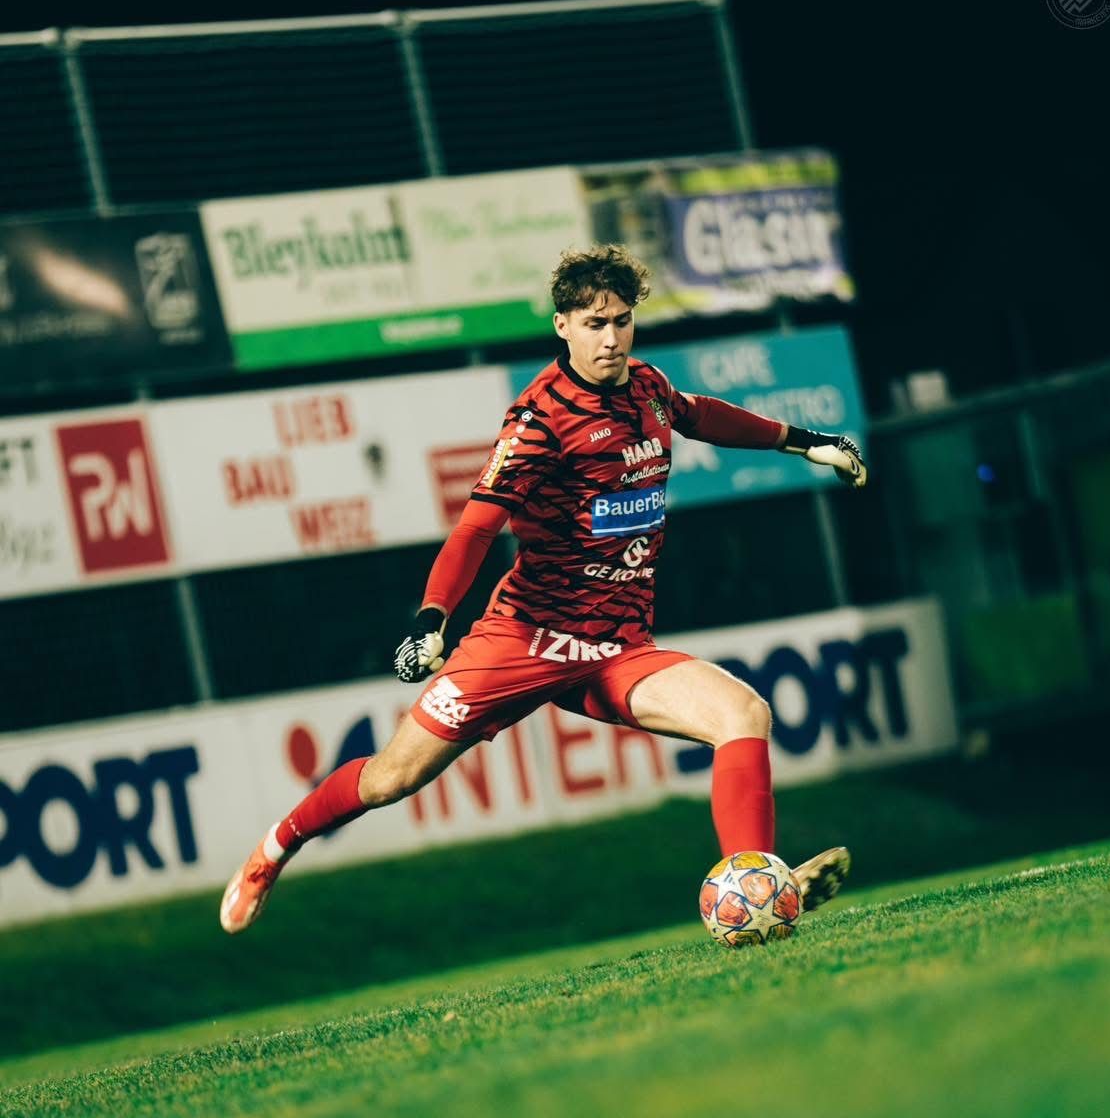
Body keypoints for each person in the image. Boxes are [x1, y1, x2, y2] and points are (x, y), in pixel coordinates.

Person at [220, 244, 867, 935]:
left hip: (616, 645)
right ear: (562, 325)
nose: (611, 337)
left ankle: (754, 888)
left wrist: (802, 441)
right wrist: (431, 620)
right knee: (390, 780)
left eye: (621, 320)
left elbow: (701, 413)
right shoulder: (538, 422)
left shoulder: (647, 387)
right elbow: (474, 530)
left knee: (742, 713)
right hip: (523, 639)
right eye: (594, 323)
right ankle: (272, 851)